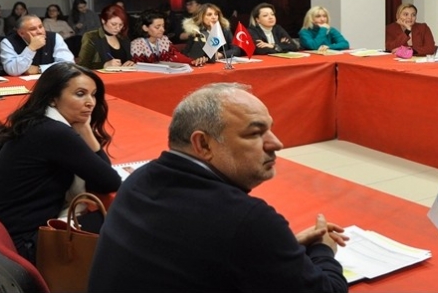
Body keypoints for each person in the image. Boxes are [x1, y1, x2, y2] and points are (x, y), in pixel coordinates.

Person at [87, 83, 349, 293]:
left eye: (270, 129)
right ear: (203, 144)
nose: (276, 143)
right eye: (255, 133)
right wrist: (323, 249)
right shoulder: (246, 220)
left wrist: (281, 247)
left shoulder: (139, 180)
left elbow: (191, 255)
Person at [0, 62, 122, 264]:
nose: (91, 102)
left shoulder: (38, 122)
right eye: (80, 94)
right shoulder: (54, 133)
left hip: (4, 237)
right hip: (24, 244)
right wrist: (85, 131)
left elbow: (99, 179)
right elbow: (109, 182)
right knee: (120, 218)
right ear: (52, 98)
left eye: (93, 95)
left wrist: (85, 130)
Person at [0, 15, 74, 76]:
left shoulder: (54, 37)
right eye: (33, 29)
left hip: (51, 81)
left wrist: (39, 69)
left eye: (41, 27)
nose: (40, 31)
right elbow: (12, 70)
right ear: (21, 33)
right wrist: (31, 48)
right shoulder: (8, 42)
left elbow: (68, 64)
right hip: (20, 84)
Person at [77, 4, 136, 69]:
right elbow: (82, 66)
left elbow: (128, 59)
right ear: (103, 21)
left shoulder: (123, 38)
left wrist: (129, 63)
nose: (118, 28)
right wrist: (104, 65)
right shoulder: (92, 37)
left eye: (121, 25)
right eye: (114, 24)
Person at [130, 11, 200, 65]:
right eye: (157, 27)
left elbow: (176, 56)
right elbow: (138, 64)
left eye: (163, 26)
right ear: (145, 28)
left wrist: (192, 61)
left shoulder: (164, 40)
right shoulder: (137, 44)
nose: (162, 30)